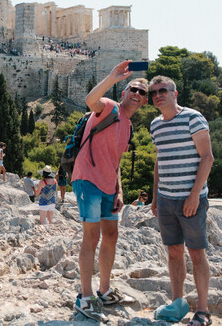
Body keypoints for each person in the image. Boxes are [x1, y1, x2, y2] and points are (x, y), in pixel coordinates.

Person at [72, 60, 148, 322]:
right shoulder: (108, 107)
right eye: (133, 90)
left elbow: (116, 162)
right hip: (87, 179)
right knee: (91, 237)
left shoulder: (128, 126)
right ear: (124, 93)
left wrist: (119, 192)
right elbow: (89, 99)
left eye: (142, 92)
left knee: (112, 235)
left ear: (145, 101)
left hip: (108, 186)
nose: (137, 94)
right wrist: (113, 77)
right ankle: (85, 296)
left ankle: (104, 290)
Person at [149, 76, 214, 326]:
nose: (158, 95)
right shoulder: (155, 125)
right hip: (166, 199)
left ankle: (203, 311)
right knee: (173, 252)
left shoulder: (193, 117)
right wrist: (155, 197)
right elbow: (159, 161)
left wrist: (195, 194)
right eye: (154, 92)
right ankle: (177, 304)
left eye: (163, 90)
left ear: (175, 93)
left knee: (197, 253)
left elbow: (207, 157)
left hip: (191, 199)